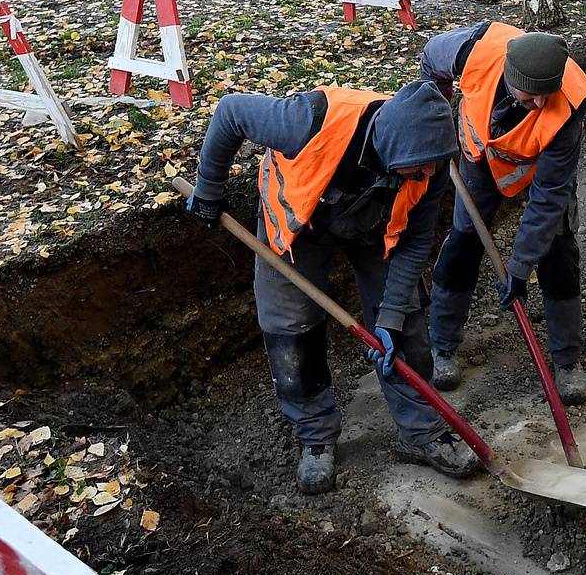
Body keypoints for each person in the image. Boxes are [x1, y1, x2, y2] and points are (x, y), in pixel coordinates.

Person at [186, 79, 481, 494]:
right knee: (291, 332)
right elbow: (231, 110)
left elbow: (414, 243)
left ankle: (422, 431)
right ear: (390, 149)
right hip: (298, 220)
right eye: (418, 170)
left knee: (409, 322)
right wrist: (208, 190)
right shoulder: (304, 121)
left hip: (375, 226)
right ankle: (315, 436)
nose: (427, 176)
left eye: (432, 168)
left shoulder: (428, 162)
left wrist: (391, 318)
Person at [419, 23, 586, 403]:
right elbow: (430, 59)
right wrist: (435, 111)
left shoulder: (570, 102)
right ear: (510, 78)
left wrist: (519, 266)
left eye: (546, 96)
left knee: (558, 248)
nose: (539, 106)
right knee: (463, 242)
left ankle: (567, 360)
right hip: (479, 156)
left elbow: (548, 196)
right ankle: (442, 345)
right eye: (530, 98)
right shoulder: (472, 51)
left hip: (539, 164)